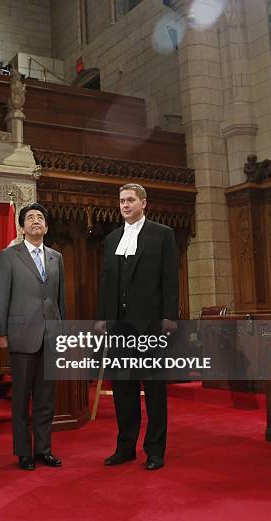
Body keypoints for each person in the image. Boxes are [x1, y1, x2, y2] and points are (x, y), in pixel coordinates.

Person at [96, 183, 179, 471]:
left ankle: (155, 450)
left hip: (152, 324)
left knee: (154, 390)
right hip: (120, 327)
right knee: (123, 390)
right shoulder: (112, 238)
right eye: (121, 201)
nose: (125, 205)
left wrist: (170, 316)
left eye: (130, 200)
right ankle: (125, 447)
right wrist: (102, 317)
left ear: (143, 202)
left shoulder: (162, 234)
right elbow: (107, 284)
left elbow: (170, 279)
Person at [0, 203, 65, 471]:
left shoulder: (56, 257)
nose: (36, 221)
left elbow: (59, 299)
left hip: (51, 334)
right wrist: (2, 332)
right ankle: (23, 452)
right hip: (21, 334)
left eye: (40, 218)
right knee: (21, 398)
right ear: (22, 227)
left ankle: (43, 449)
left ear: (46, 227)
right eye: (31, 218)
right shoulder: (9, 256)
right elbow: (2, 296)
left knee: (46, 399)